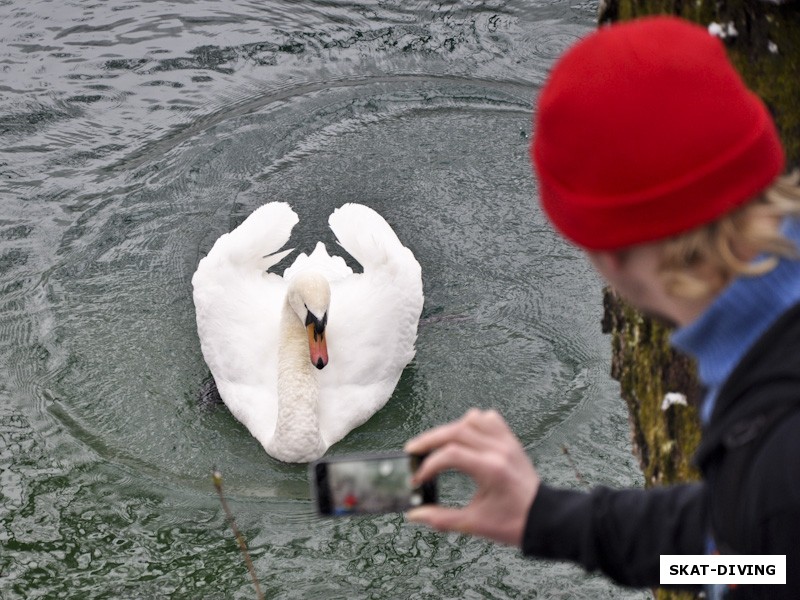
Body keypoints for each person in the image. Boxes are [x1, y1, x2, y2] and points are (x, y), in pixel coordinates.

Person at [404, 16, 800, 599]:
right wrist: (550, 521)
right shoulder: (765, 410)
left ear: (608, 256)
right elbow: (742, 557)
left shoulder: (780, 464)